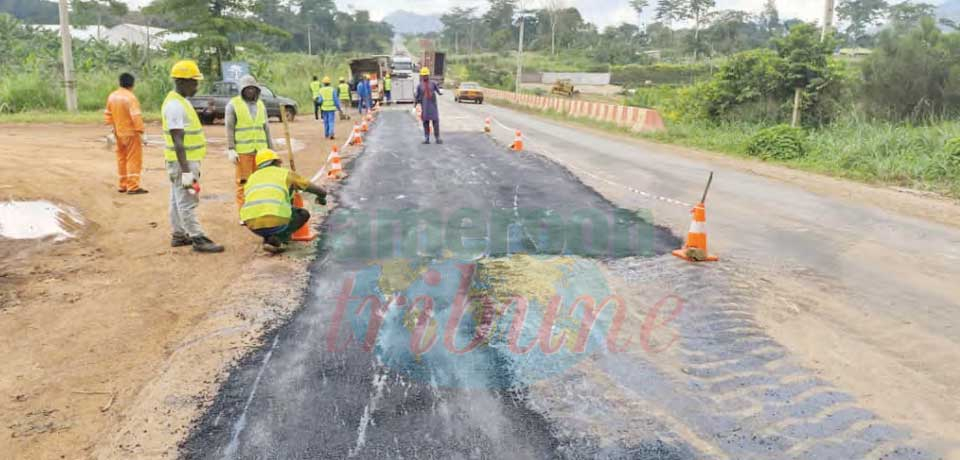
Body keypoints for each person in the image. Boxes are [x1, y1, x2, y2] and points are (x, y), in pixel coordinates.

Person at [162, 60, 224, 253]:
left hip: (182, 161)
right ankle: (198, 238)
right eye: (194, 82)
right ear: (182, 82)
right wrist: (186, 171)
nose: (197, 86)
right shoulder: (174, 105)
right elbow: (178, 140)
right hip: (183, 162)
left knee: (176, 198)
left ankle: (179, 234)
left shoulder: (181, 102)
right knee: (188, 199)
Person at [241, 149, 328, 254]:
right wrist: (322, 195)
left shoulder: (252, 177)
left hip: (252, 224)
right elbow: (310, 187)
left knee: (270, 213)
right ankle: (278, 239)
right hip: (276, 220)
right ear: (276, 162)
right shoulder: (285, 173)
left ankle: (269, 237)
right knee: (303, 214)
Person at [225, 75, 273, 216]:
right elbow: (229, 127)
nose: (250, 91)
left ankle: (258, 211)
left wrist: (271, 150)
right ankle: (244, 213)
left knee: (261, 182)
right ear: (242, 90)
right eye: (247, 89)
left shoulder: (260, 105)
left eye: (253, 88)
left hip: (261, 152)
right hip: (244, 151)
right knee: (243, 183)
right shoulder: (233, 104)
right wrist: (231, 148)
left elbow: (266, 128)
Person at [104, 72, 147, 194]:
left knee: (121, 158)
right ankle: (133, 186)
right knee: (133, 159)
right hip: (131, 134)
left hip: (118, 133)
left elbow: (108, 115)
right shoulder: (130, 97)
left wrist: (113, 129)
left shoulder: (112, 96)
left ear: (120, 83)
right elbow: (136, 116)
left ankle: (123, 185)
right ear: (132, 84)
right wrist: (141, 132)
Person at [415, 67, 443, 145]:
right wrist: (415, 105)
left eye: (426, 75)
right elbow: (417, 97)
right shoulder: (419, 86)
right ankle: (427, 138)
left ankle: (437, 138)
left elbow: (439, 91)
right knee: (425, 123)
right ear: (421, 76)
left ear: (428, 75)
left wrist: (441, 91)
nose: (425, 76)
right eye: (423, 75)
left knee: (436, 122)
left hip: (433, 106)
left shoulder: (433, 84)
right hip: (425, 107)